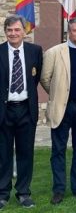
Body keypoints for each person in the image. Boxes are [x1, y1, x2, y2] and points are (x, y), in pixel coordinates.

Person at [40, 18, 76, 205]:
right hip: (62, 108)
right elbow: (45, 79)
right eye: (75, 30)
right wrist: (59, 95)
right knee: (58, 150)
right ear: (68, 32)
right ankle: (58, 190)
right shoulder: (54, 52)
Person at [0, 15, 43, 209]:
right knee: (3, 154)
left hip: (26, 109)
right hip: (4, 111)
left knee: (26, 153)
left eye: (17, 30)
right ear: (5, 32)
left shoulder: (35, 51)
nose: (13, 33)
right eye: (9, 30)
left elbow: (35, 78)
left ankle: (24, 193)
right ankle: (3, 193)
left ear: (24, 32)